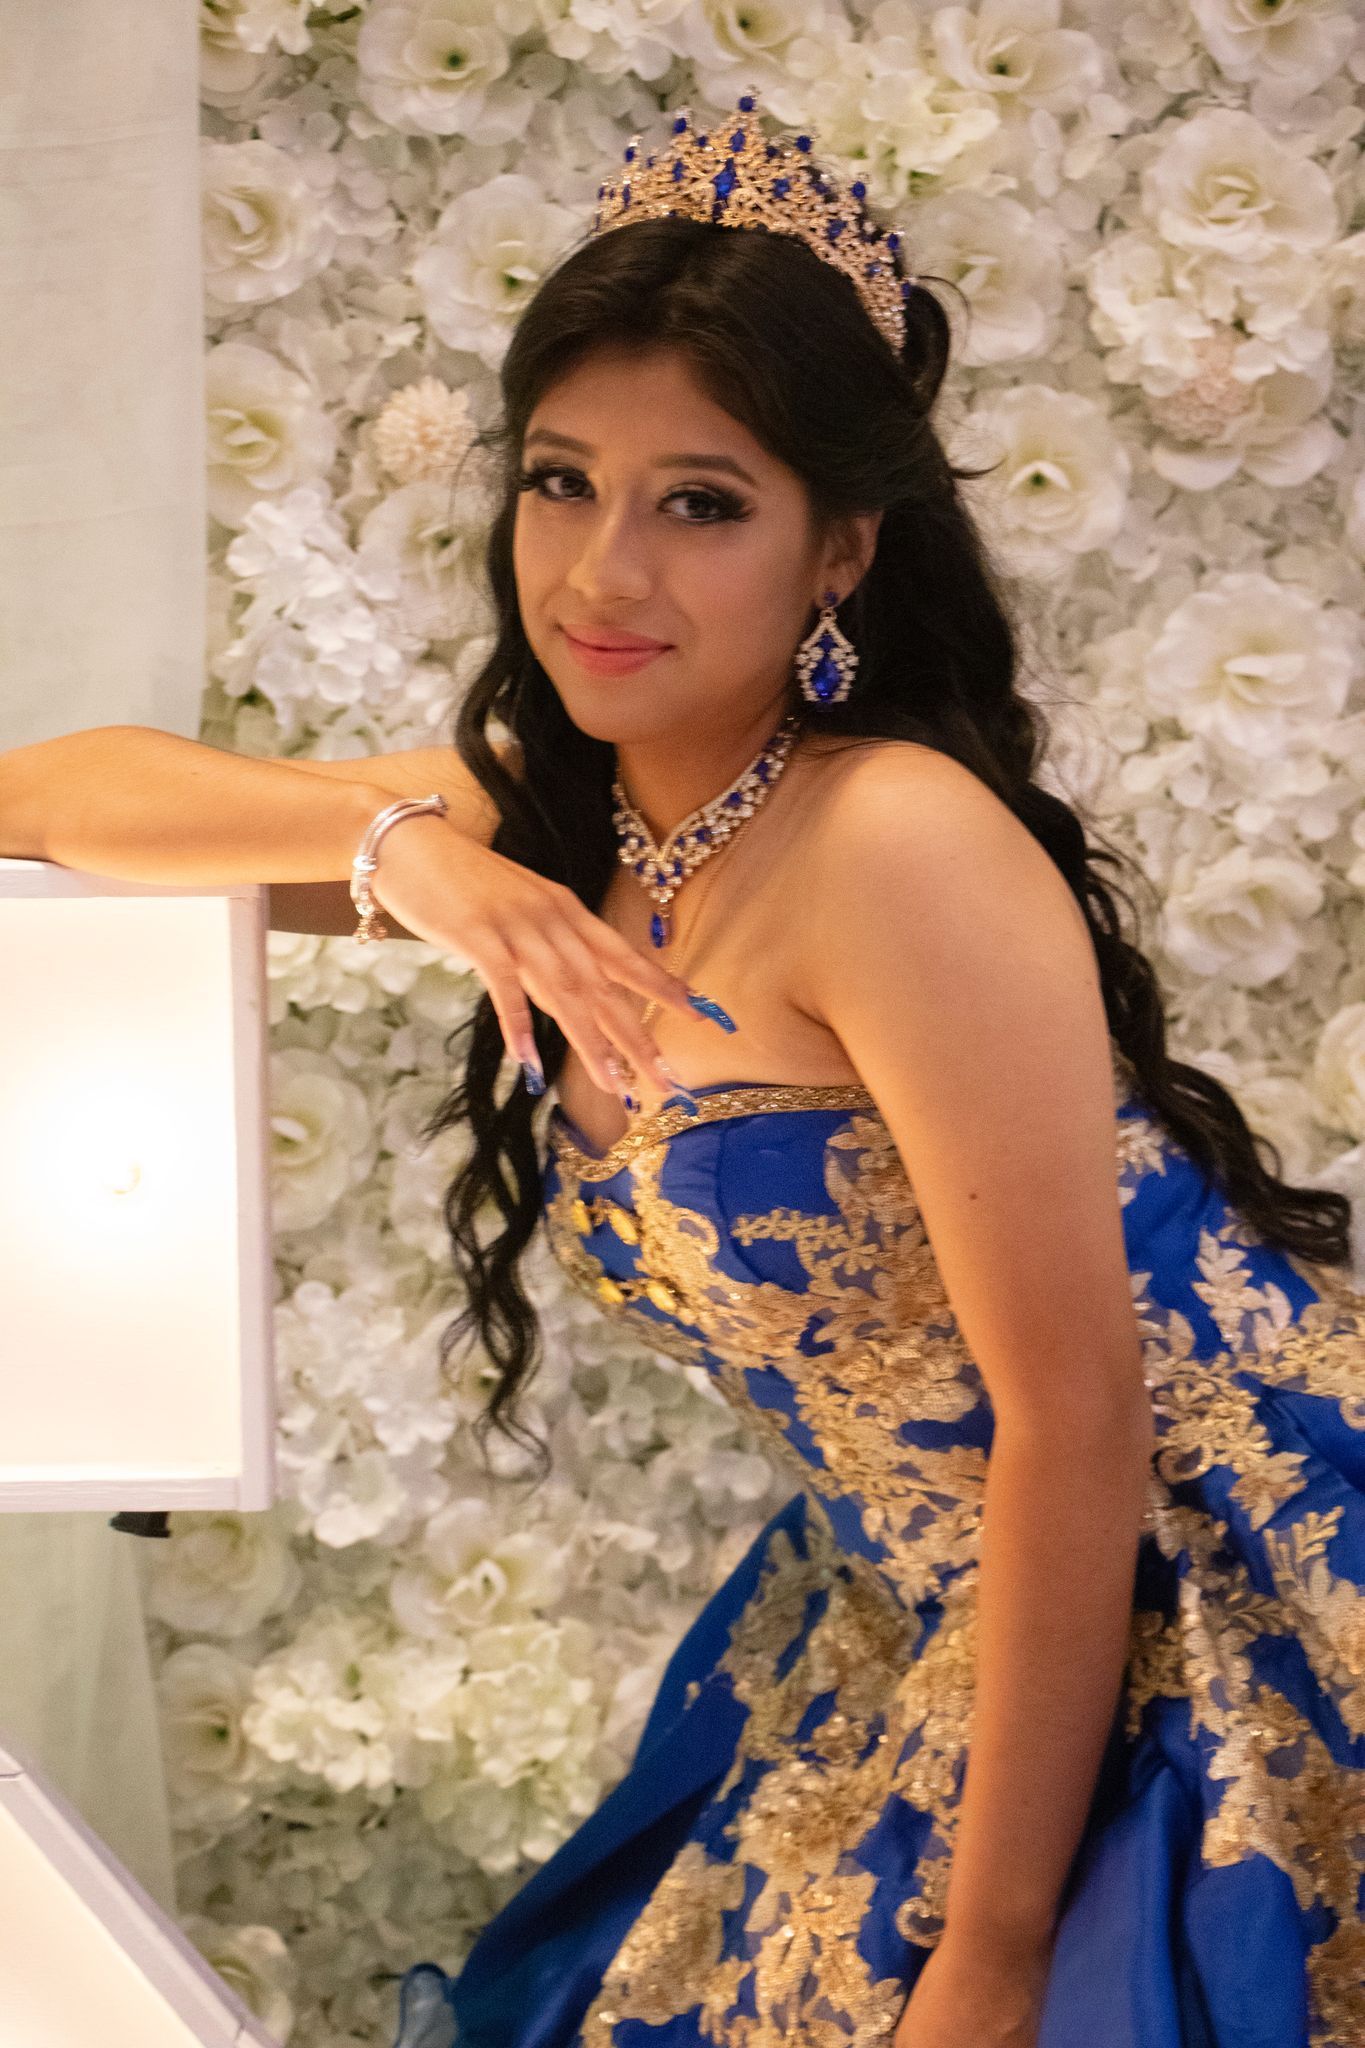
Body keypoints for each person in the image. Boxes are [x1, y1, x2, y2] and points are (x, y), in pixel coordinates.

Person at [1, 86, 1360, 2048]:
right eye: (561, 481)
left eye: (698, 503)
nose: (599, 575)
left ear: (838, 553)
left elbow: (1074, 1424)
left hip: (1179, 1611)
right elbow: (46, 801)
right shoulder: (595, 819)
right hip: (897, 1604)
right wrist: (411, 856)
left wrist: (983, 1967)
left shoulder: (892, 841)